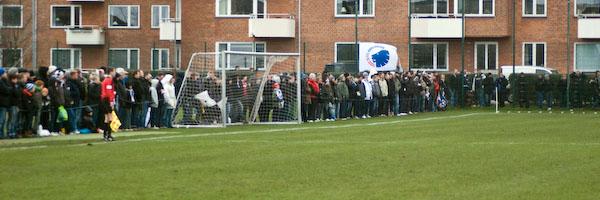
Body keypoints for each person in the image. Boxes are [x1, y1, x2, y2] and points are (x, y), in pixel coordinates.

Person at [100, 68, 116, 142]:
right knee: (110, 117)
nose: (115, 73)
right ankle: (108, 135)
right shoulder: (109, 80)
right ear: (111, 72)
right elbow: (109, 91)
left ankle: (105, 135)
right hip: (107, 99)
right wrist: (111, 101)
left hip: (104, 99)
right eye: (114, 71)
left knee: (106, 118)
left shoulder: (105, 80)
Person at [0, 67, 10, 139]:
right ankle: (1, 134)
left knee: (3, 120)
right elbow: (6, 90)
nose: (6, 74)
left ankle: (3, 133)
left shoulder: (3, 81)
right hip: (2, 103)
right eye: (4, 73)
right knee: (2, 120)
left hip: (4, 103)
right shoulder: (1, 82)